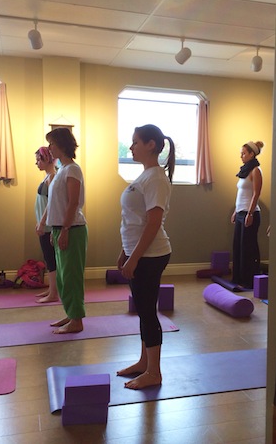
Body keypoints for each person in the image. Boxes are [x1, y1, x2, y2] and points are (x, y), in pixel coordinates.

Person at [116, 124, 175, 390]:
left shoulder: (156, 179)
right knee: (143, 311)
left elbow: (153, 223)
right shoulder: (146, 177)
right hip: (139, 254)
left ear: (151, 145)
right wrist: (125, 253)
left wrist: (134, 258)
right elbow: (133, 220)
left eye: (135, 142)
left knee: (148, 313)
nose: (131, 147)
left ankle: (155, 373)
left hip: (151, 255)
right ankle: (144, 362)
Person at [37, 128, 87, 334]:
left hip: (73, 229)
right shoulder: (60, 171)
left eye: (52, 144)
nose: (50, 148)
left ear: (63, 146)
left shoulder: (73, 170)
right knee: (62, 278)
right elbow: (56, 203)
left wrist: (65, 229)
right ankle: (70, 314)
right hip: (60, 228)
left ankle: (77, 321)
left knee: (71, 276)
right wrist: (53, 229)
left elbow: (73, 202)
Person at [231, 140, 264, 289]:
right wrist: (235, 212)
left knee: (247, 248)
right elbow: (241, 194)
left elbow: (256, 194)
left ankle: (248, 280)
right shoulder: (244, 171)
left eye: (244, 153)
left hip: (250, 213)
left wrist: (249, 214)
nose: (241, 156)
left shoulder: (256, 171)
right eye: (241, 153)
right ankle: (238, 277)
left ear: (252, 154)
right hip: (240, 212)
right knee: (238, 246)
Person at [34, 146, 60, 303]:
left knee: (51, 260)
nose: (36, 163)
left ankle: (54, 294)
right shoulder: (47, 177)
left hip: (49, 226)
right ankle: (51, 289)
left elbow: (52, 203)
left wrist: (42, 222)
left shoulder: (53, 177)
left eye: (39, 159)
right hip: (43, 225)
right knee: (48, 258)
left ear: (47, 159)